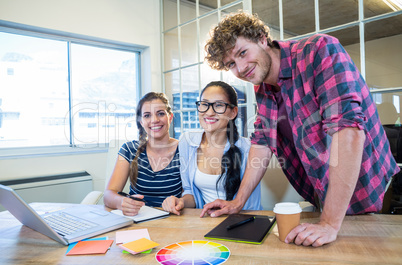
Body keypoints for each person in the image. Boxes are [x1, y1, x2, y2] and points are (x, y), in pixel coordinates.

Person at [201, 11, 400, 247]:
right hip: (324, 192)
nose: (241, 68)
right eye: (231, 64)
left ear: (262, 39)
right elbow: (262, 142)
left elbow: (348, 129)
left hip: (369, 188)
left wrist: (329, 223)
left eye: (243, 53)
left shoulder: (320, 51)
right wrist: (237, 202)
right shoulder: (263, 88)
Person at [162, 81, 261, 215]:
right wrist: (181, 202)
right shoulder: (187, 142)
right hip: (206, 222)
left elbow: (251, 204)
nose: (209, 112)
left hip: (242, 221)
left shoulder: (249, 149)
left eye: (219, 105)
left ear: (233, 112)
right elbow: (190, 192)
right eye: (204, 104)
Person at [104, 92, 182, 216]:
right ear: (141, 122)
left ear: (170, 117)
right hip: (137, 220)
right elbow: (108, 194)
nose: (154, 120)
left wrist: (180, 201)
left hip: (173, 220)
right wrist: (122, 202)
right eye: (147, 115)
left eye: (160, 114)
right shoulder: (129, 150)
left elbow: (191, 197)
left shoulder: (183, 150)